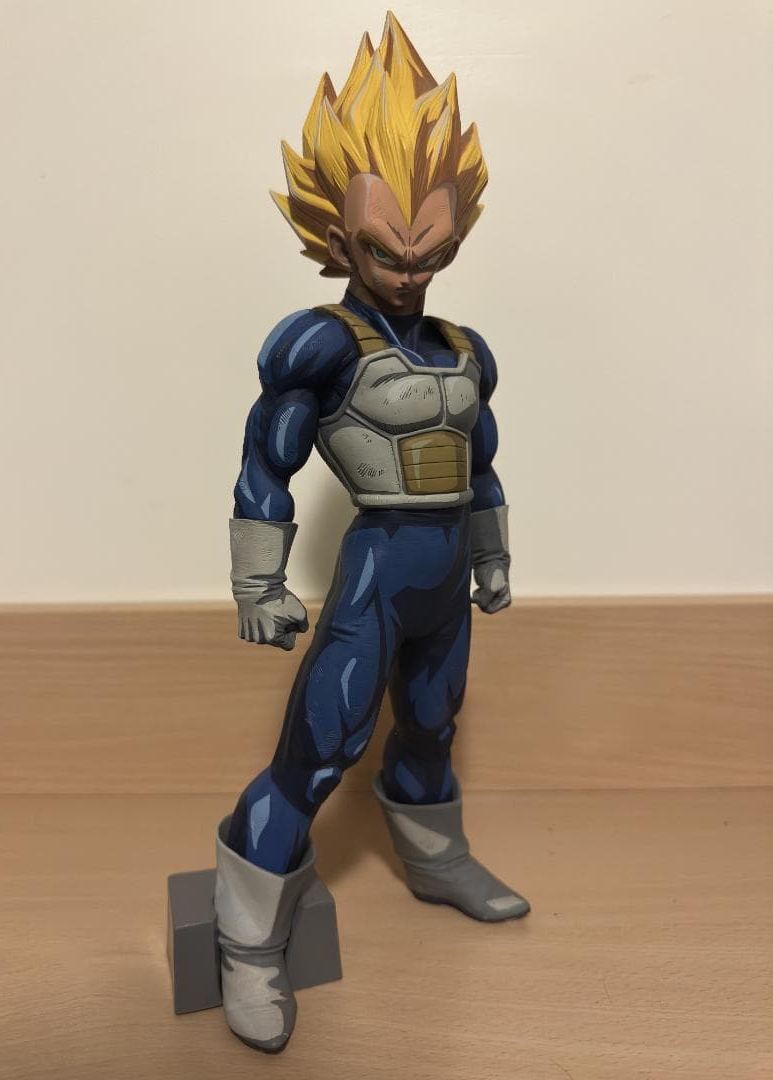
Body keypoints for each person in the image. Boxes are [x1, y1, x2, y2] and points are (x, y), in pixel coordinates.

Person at [214, 13, 530, 1054]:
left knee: (433, 724)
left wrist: (493, 554)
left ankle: (435, 861)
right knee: (320, 746)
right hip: (376, 572)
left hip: (444, 576)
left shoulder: (463, 349)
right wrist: (259, 584)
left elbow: (481, 462)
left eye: (432, 251)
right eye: (384, 251)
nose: (408, 271)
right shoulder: (322, 344)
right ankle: (246, 934)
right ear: (334, 236)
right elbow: (268, 458)